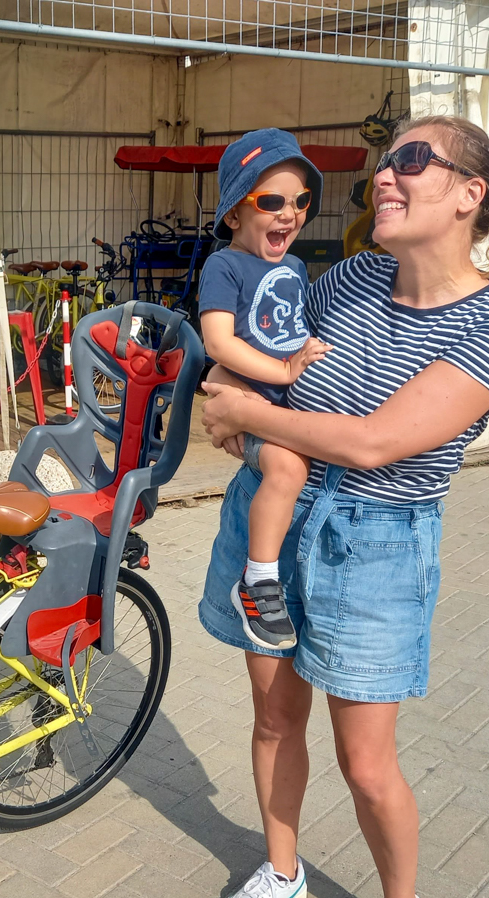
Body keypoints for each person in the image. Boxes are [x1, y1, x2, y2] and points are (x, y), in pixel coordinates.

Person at [197, 116, 489, 898]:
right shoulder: (348, 279)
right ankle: (283, 869)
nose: (385, 176)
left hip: (374, 544)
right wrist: (216, 382)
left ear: (472, 194)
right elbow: (258, 353)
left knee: (366, 761)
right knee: (274, 719)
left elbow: (375, 443)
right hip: (274, 513)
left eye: (412, 160)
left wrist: (244, 415)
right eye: (384, 163)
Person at [197, 129, 332, 650]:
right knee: (287, 466)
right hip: (258, 400)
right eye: (271, 201)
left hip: (286, 402)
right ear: (235, 214)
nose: (289, 214)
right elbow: (218, 342)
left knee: (298, 463)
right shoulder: (224, 265)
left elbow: (297, 329)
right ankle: (257, 582)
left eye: (300, 202)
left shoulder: (295, 267)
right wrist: (283, 373)